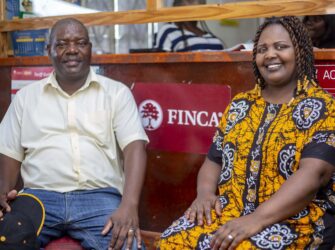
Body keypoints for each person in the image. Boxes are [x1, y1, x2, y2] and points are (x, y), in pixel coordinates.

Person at [158, 16, 335, 249]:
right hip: (231, 211)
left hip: (296, 220)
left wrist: (256, 219)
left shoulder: (322, 106)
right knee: (172, 241)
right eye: (262, 49)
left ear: (300, 51)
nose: (270, 54)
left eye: (281, 47)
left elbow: (314, 175)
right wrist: (204, 195)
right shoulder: (240, 105)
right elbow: (213, 160)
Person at [0, 18, 149, 250]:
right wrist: (3, 193)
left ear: (90, 49)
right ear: (48, 50)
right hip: (38, 199)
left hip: (98, 198)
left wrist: (129, 205)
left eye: (80, 43)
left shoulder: (116, 93)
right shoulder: (25, 98)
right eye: (61, 44)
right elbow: (9, 154)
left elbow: (135, 148)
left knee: (128, 246)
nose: (72, 50)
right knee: (8, 240)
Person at [153, 0, 224, 52]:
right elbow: (160, 67)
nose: (199, 3)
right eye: (191, 0)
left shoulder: (210, 36)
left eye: (202, 1)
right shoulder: (169, 31)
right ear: (178, 5)